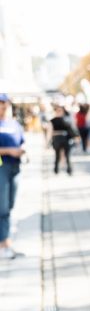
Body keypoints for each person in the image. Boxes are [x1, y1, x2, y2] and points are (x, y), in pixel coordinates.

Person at [0, 93, 25, 259]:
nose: (3, 106)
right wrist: (9, 151)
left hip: (15, 166)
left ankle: (5, 242)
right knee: (1, 207)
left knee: (9, 205)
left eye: (4, 103)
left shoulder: (14, 123)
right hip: (1, 166)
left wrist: (22, 149)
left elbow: (21, 140)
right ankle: (5, 242)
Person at [50, 105, 78, 175]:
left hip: (64, 139)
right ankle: (57, 169)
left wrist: (75, 137)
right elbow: (50, 131)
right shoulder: (53, 121)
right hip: (58, 139)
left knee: (66, 155)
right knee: (58, 155)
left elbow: (70, 129)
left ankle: (67, 169)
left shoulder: (65, 120)